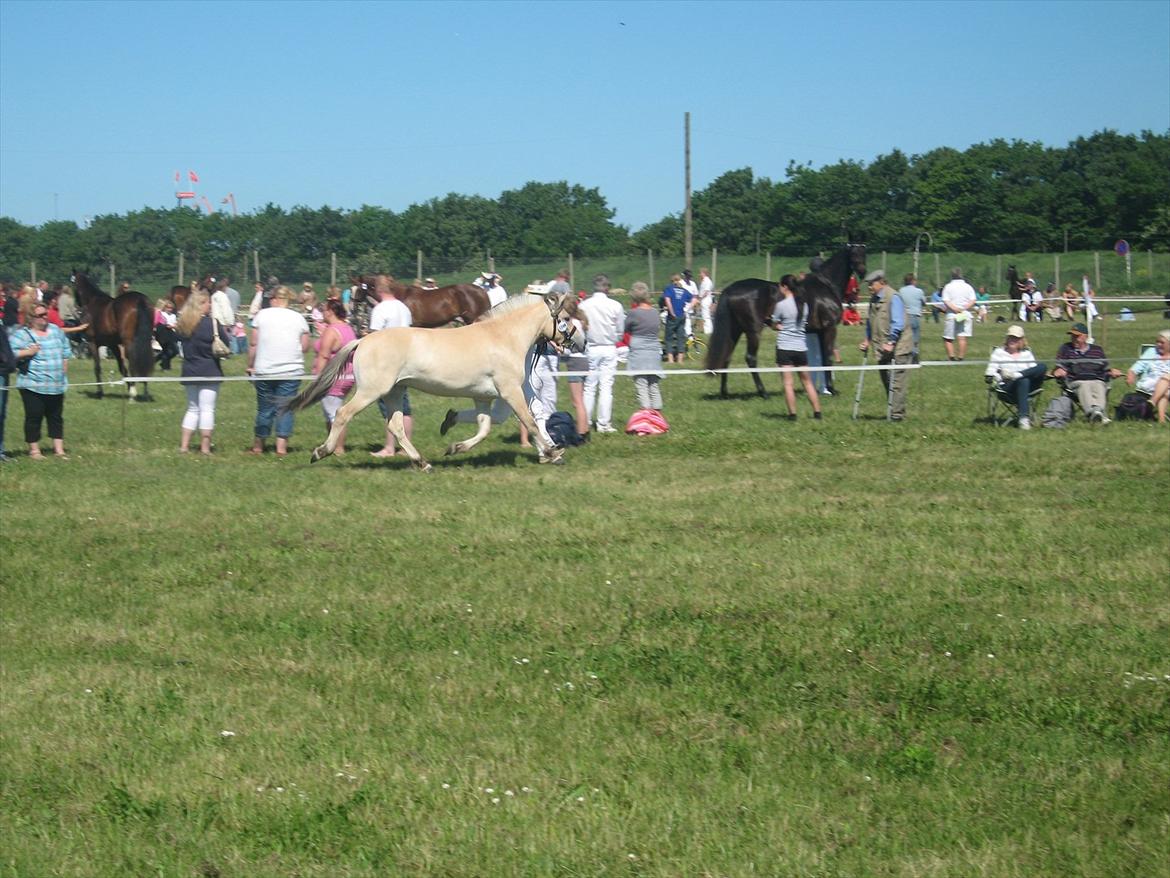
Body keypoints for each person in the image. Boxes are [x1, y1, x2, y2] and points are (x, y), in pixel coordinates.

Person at [247, 285, 310, 456]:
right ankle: (281, 448)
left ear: (274, 299)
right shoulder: (298, 318)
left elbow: (253, 343)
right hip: (291, 370)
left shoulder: (261, 315)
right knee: (285, 408)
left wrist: (250, 365)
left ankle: (258, 446)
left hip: (265, 370)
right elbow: (305, 347)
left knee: (264, 409)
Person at [10, 302, 71, 459]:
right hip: (32, 384)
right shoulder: (21, 335)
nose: (45, 317)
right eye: (40, 315)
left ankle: (59, 450)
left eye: (45, 314)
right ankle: (34, 451)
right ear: (31, 318)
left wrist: (64, 368)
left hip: (56, 384)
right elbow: (9, 353)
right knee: (34, 417)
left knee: (56, 417)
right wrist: (28, 352)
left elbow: (66, 350)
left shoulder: (56, 330)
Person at [175, 289, 232, 454]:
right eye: (208, 303)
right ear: (201, 304)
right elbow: (226, 343)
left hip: (189, 370)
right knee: (207, 410)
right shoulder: (212, 324)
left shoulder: (183, 324)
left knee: (192, 408)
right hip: (210, 370)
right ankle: (205, 448)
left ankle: (184, 446)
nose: (210, 306)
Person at [367, 276, 415, 457]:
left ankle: (389, 447)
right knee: (404, 406)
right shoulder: (403, 308)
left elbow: (375, 337)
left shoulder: (380, 309)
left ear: (378, 290)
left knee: (390, 407)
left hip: (386, 361)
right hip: (406, 359)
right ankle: (406, 447)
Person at [859, 269, 913, 421]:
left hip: (899, 347)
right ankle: (895, 409)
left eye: (872, 284)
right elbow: (871, 323)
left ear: (882, 282)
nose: (869, 287)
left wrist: (891, 342)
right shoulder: (873, 299)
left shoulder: (893, 297)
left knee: (896, 382)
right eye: (868, 284)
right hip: (882, 348)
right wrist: (867, 340)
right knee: (887, 381)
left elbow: (898, 323)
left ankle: (897, 415)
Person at [768, 274, 822, 421]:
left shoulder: (781, 305)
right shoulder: (804, 305)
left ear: (785, 287)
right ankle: (817, 412)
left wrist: (778, 326)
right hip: (801, 347)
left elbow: (774, 324)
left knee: (788, 383)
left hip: (785, 347)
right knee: (807, 382)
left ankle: (792, 414)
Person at [579, 273, 625, 433]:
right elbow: (620, 330)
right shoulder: (616, 305)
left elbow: (580, 328)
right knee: (606, 386)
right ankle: (604, 423)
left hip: (591, 347)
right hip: (609, 347)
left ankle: (585, 421)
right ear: (607, 288)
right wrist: (614, 338)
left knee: (589, 387)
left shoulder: (584, 305)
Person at [311, 299, 358, 452]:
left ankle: (338, 448)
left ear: (331, 311)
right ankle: (331, 445)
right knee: (331, 413)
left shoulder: (332, 331)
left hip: (333, 378)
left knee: (334, 415)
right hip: (347, 375)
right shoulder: (347, 328)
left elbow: (324, 355)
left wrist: (319, 379)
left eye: (324, 310)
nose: (322, 313)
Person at [1053, 322, 1121, 423]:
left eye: (1077, 336)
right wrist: (1058, 370)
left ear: (1086, 337)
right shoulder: (1066, 348)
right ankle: (1092, 412)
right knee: (1085, 384)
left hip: (1097, 380)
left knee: (1099, 384)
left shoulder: (1097, 350)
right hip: (1075, 382)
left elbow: (1105, 369)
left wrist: (1112, 372)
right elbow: (1059, 366)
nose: (1074, 339)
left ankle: (1097, 412)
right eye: (1072, 336)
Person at [985, 325, 1046, 430]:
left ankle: (1017, 375)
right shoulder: (999, 352)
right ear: (1007, 338)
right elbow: (989, 374)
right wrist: (999, 376)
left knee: (1042, 367)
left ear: (1021, 340)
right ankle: (1023, 419)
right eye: (1010, 337)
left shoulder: (1027, 353)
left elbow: (1033, 370)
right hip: (1008, 387)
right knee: (1023, 380)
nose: (1012, 340)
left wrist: (1016, 375)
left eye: (1016, 338)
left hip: (1029, 387)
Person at [625, 282, 664, 412]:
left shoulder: (633, 313)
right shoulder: (655, 312)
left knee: (641, 384)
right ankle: (657, 413)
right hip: (654, 350)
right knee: (654, 384)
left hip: (639, 351)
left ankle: (646, 412)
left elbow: (626, 328)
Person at [1126, 329, 1170, 423]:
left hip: (1167, 382)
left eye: (1162, 343)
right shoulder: (1151, 352)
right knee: (1166, 390)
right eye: (1157, 342)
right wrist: (1131, 374)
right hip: (1150, 383)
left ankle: (1152, 403)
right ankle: (1161, 419)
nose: (1158, 344)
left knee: (1166, 379)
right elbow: (1136, 367)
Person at [940, 267, 976, 360]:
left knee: (948, 338)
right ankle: (961, 357)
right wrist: (963, 308)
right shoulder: (968, 286)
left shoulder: (948, 286)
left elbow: (946, 300)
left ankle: (951, 357)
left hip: (952, 314)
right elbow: (973, 300)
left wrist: (955, 309)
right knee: (962, 337)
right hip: (965, 314)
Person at [661, 274, 691, 364]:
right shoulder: (684, 291)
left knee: (669, 337)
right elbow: (694, 299)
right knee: (680, 337)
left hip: (672, 316)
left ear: (672, 281)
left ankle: (670, 360)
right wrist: (687, 309)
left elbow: (667, 300)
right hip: (682, 316)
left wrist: (671, 311)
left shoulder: (669, 289)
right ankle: (680, 360)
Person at [896, 273, 926, 362]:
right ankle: (915, 354)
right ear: (913, 281)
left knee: (905, 337)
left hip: (904, 316)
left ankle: (906, 354)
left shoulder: (901, 291)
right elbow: (924, 302)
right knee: (915, 337)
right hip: (915, 316)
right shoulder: (919, 291)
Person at [154, 298, 180, 370]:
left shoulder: (172, 315)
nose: (169, 309)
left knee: (168, 351)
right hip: (164, 333)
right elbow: (156, 322)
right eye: (167, 307)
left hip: (170, 333)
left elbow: (175, 323)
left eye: (171, 308)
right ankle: (164, 365)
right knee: (170, 350)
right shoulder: (160, 313)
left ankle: (158, 362)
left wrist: (173, 326)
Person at [697, 267, 715, 335]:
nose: (699, 274)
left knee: (706, 315)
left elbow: (706, 292)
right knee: (704, 315)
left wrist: (700, 298)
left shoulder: (707, 281)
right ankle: (707, 329)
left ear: (704, 273)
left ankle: (708, 330)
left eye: (700, 273)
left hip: (706, 299)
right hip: (704, 299)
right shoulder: (704, 281)